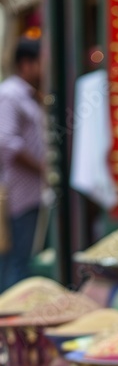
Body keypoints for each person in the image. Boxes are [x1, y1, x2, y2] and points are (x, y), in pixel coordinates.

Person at [0, 37, 45, 290]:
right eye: (42, 62)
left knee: (24, 262)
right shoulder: (10, 94)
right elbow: (6, 142)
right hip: (20, 196)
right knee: (18, 264)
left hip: (31, 195)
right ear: (26, 64)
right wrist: (42, 169)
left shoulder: (28, 95)